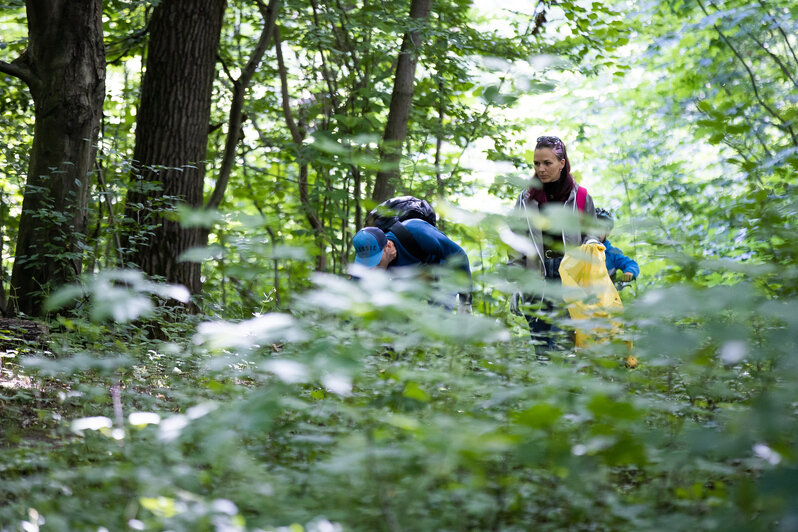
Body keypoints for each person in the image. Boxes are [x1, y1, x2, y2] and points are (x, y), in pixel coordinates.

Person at [509, 135, 599, 350]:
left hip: (570, 278)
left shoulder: (581, 197)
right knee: (541, 348)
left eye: (547, 163)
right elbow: (516, 243)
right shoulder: (526, 199)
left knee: (565, 348)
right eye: (536, 163)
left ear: (562, 163)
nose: (541, 169)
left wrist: (592, 245)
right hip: (535, 278)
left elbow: (593, 234)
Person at [352, 218, 472, 312]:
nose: (373, 267)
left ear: (388, 246)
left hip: (442, 270)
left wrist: (466, 302)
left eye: (376, 260)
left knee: (440, 316)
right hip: (414, 278)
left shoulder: (417, 232)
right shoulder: (367, 260)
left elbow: (459, 254)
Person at [596, 208, 639, 283]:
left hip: (606, 293)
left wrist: (629, 272)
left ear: (607, 232)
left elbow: (630, 264)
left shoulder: (613, 253)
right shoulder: (579, 249)